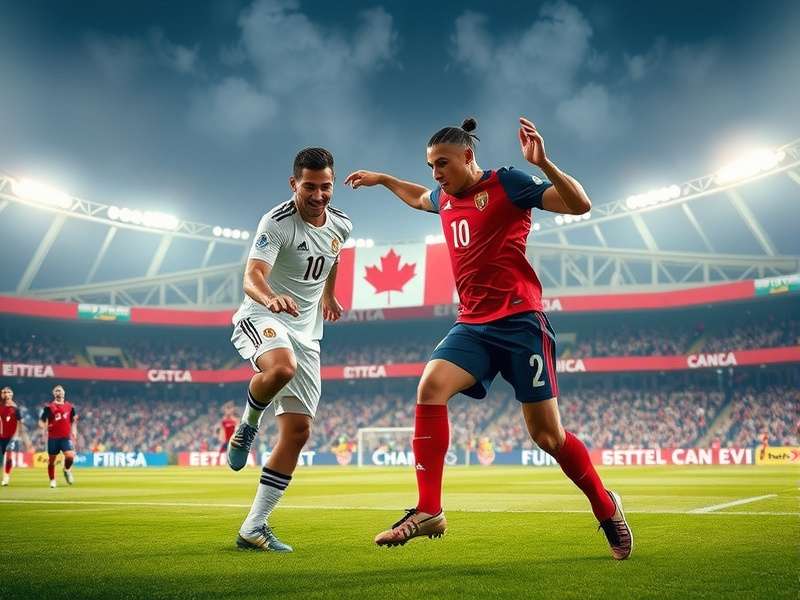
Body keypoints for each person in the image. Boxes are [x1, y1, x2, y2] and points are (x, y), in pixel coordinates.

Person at [345, 116, 633, 560]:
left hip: (521, 323)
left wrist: (546, 163)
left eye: (442, 163)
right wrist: (383, 179)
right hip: (473, 325)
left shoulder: (509, 183)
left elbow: (580, 205)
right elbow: (417, 196)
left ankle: (605, 505)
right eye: (430, 165)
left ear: (468, 156)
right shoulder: (443, 197)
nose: (436, 174)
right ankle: (429, 510)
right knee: (430, 386)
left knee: (548, 437)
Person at [228, 147, 351, 552]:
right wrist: (270, 298)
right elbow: (252, 276)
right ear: (294, 183)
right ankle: (247, 424)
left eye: (326, 187)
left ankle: (253, 527)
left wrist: (328, 297)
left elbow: (331, 257)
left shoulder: (342, 225)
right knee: (280, 368)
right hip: (263, 314)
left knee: (298, 431)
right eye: (310, 186)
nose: (318, 195)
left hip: (307, 332)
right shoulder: (277, 222)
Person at [39, 384, 78, 488]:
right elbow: (42, 421)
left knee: (70, 456)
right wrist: (43, 429)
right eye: (56, 391)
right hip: (53, 438)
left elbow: (74, 421)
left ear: (64, 393)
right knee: (52, 461)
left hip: (65, 437)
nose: (58, 392)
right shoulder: (49, 407)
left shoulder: (70, 407)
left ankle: (67, 470)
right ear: (53, 394)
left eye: (60, 390)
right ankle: (52, 480)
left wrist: (74, 431)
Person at [0, 387, 21, 486]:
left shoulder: (16, 409)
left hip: (10, 437)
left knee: (8, 458)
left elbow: (19, 423)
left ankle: (6, 477)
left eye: (8, 392)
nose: (6, 393)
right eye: (4, 392)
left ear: (12, 394)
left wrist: (15, 436)